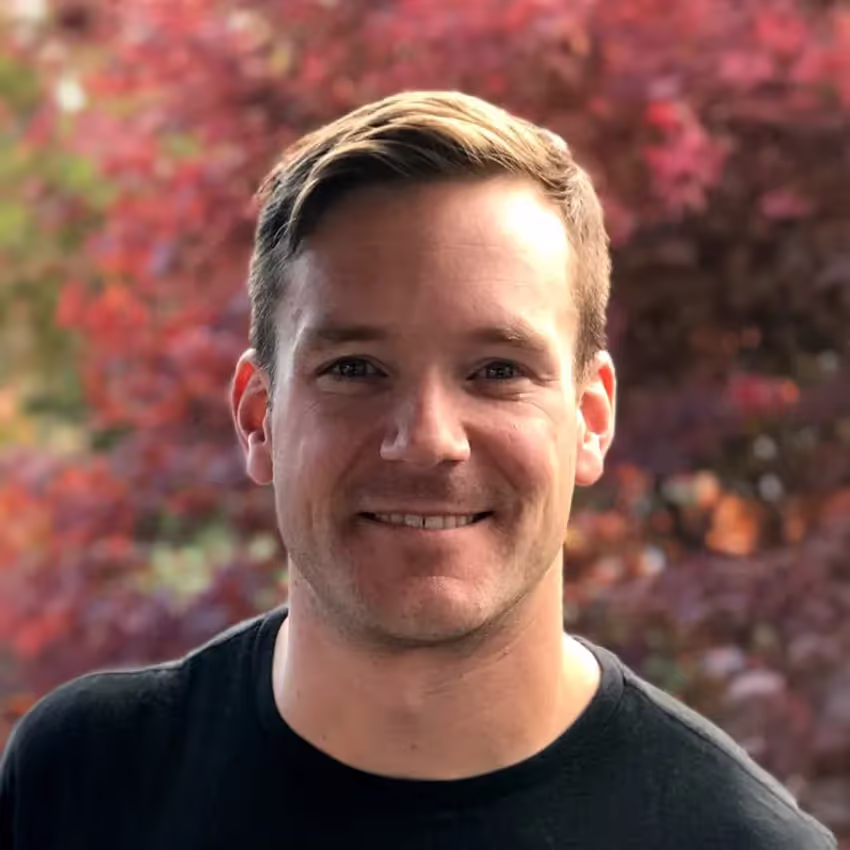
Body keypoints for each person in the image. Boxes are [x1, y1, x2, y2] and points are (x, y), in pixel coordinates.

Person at [0, 91, 836, 850]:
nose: (429, 439)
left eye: (498, 371)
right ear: (259, 416)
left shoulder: (736, 842)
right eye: (356, 368)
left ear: (591, 419)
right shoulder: (84, 782)